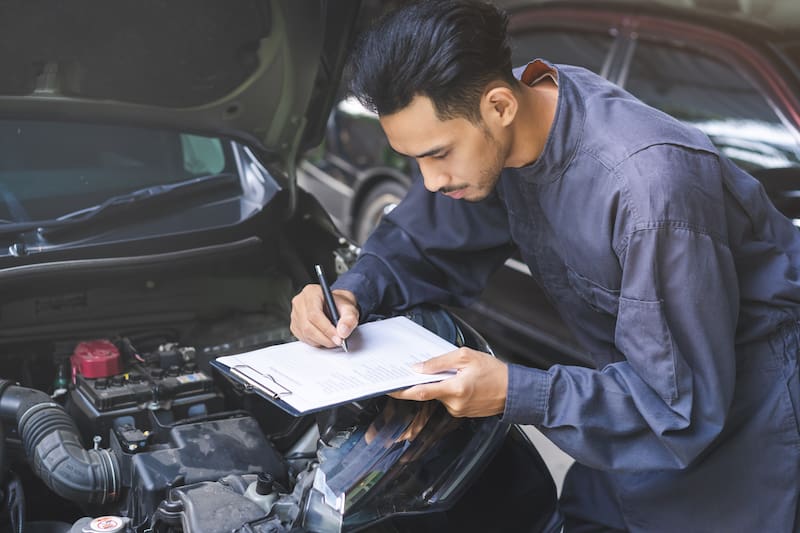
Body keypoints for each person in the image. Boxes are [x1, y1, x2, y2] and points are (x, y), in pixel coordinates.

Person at [290, 0, 800, 530]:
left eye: (438, 154)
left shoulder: (647, 194)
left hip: (740, 435)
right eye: (414, 159)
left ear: (500, 106)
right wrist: (351, 294)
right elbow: (424, 244)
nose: (432, 180)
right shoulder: (508, 122)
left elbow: (678, 408)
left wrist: (514, 391)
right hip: (625, 413)